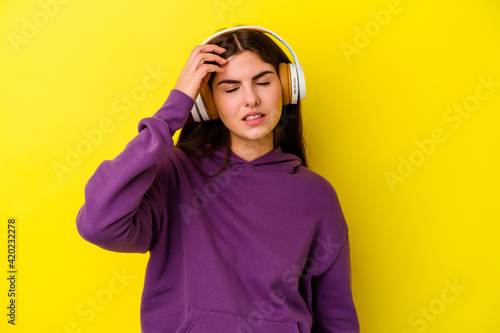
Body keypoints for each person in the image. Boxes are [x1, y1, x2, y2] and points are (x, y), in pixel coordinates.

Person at [76, 26, 360, 333]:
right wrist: (174, 109)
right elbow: (98, 223)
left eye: (263, 82)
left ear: (288, 87)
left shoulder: (316, 195)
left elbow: (337, 317)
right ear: (208, 103)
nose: (250, 99)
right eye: (231, 88)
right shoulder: (176, 174)